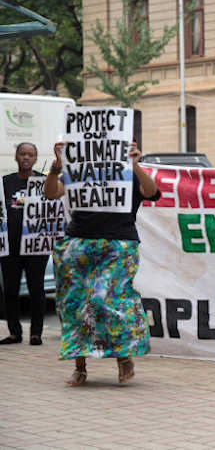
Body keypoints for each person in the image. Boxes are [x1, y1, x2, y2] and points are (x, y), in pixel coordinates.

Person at [43, 140, 161, 386]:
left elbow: (151, 192)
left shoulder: (129, 172)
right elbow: (51, 193)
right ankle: (80, 366)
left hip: (118, 245)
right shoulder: (79, 171)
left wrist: (135, 165)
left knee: (105, 299)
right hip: (79, 244)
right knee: (75, 305)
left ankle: (123, 356)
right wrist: (56, 167)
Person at [0, 143, 49, 346]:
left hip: (35, 247)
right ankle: (14, 332)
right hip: (10, 247)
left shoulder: (45, 182)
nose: (26, 158)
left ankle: (36, 333)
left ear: (36, 158)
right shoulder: (5, 182)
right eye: (22, 154)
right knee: (10, 290)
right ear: (16, 157)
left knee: (36, 289)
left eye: (30, 154)